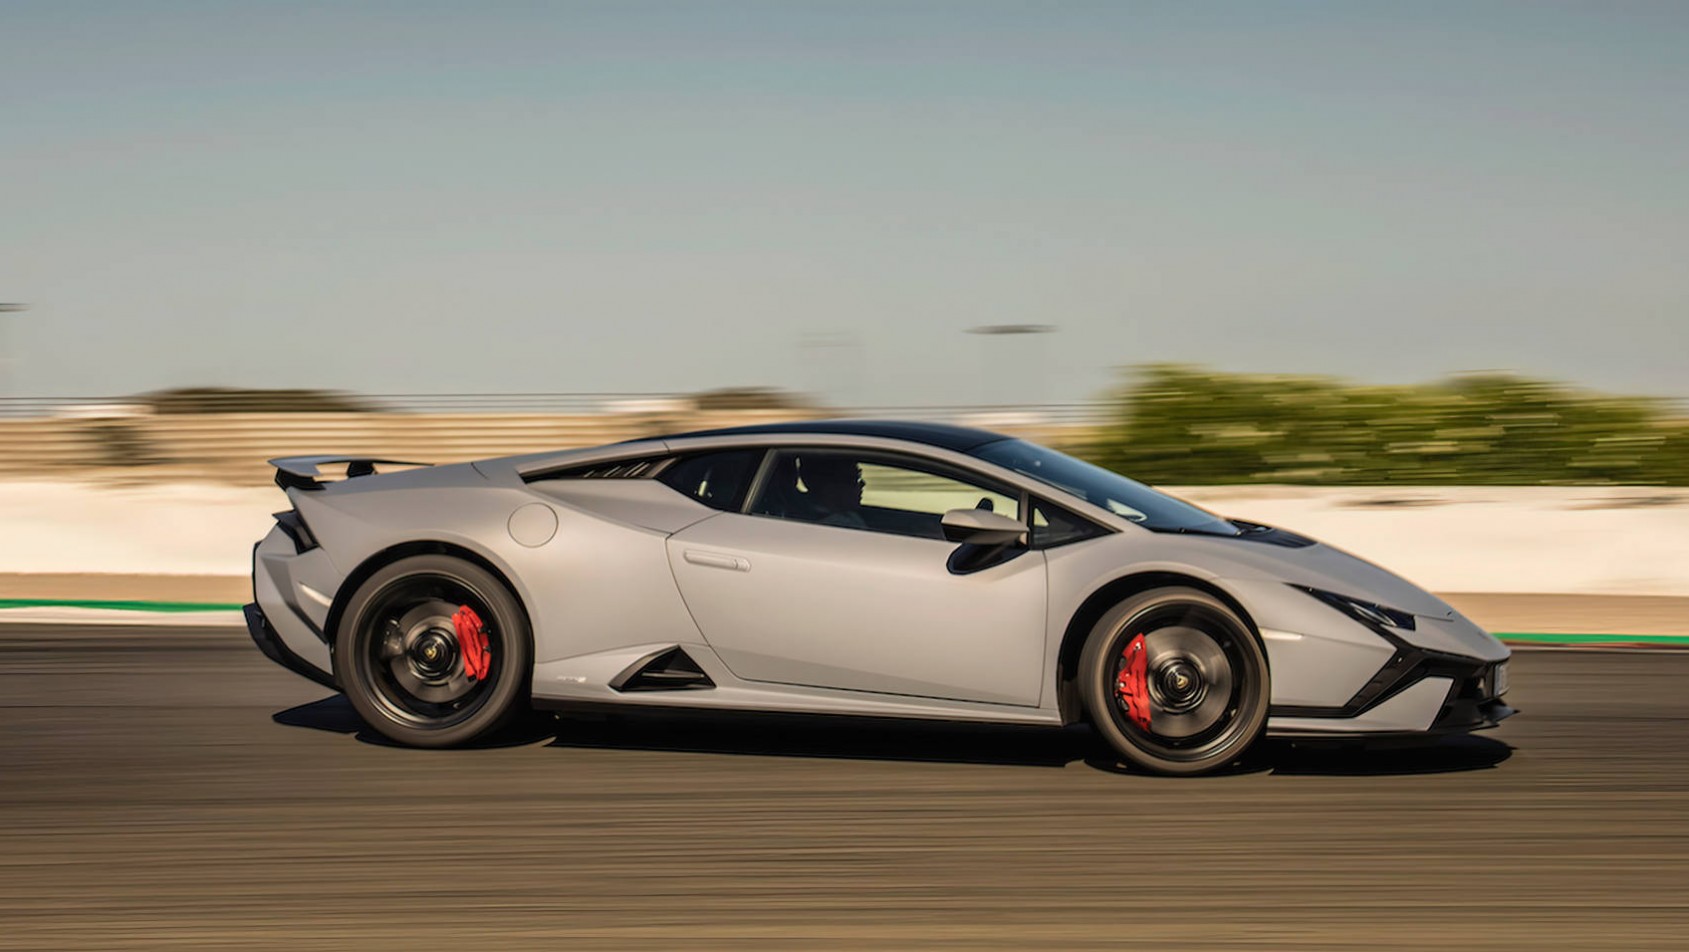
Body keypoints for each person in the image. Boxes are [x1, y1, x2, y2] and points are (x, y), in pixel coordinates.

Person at [797, 454, 867, 528]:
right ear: (829, 487)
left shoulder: (847, 516)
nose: (863, 484)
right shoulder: (839, 525)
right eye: (854, 479)